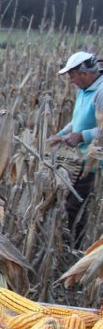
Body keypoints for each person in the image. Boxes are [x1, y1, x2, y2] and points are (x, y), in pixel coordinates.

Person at [49, 51, 102, 248]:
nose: (71, 80)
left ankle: (74, 248)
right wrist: (61, 134)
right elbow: (77, 121)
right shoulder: (84, 90)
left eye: (72, 75)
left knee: (76, 208)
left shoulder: (101, 92)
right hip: (79, 159)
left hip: (93, 163)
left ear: (85, 73)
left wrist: (82, 136)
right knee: (68, 205)